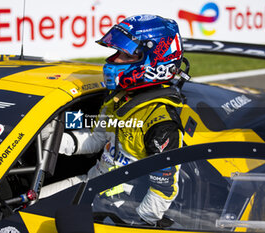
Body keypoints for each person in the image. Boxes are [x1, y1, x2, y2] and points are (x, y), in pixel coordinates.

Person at [40, 14, 185, 226]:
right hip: (91, 185)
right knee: (29, 205)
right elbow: (94, 139)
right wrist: (45, 137)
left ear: (154, 61)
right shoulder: (118, 99)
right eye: (117, 52)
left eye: (126, 55)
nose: (115, 60)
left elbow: (163, 189)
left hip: (121, 208)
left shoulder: (161, 123)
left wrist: (139, 223)